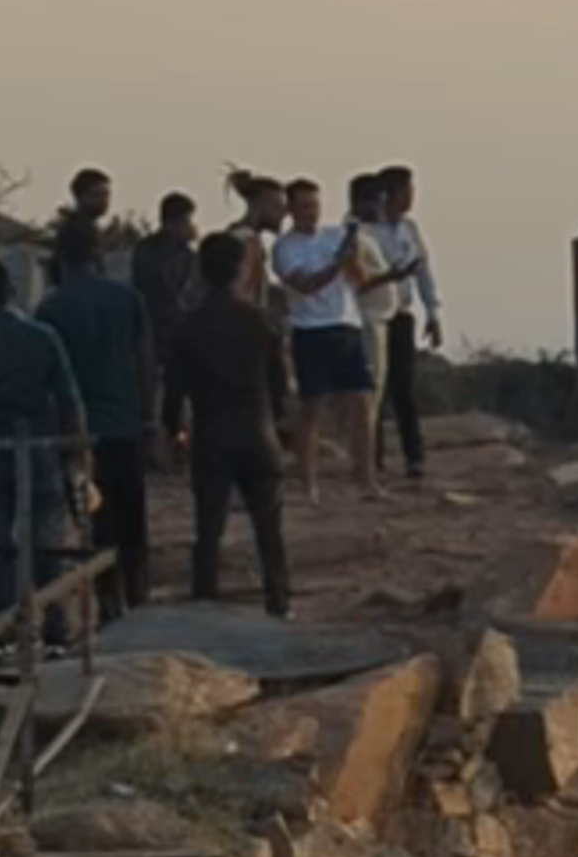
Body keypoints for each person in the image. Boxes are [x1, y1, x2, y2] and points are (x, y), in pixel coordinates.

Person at [0, 236, 91, 653]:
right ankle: (56, 631)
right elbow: (68, 397)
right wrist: (76, 452)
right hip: (40, 449)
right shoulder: (43, 337)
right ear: (10, 294)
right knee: (48, 544)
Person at [36, 204, 156, 616]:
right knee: (132, 515)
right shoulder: (127, 299)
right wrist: (150, 418)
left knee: (92, 519)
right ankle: (140, 594)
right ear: (97, 253)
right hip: (126, 422)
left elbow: (47, 380)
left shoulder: (51, 308)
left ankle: (108, 602)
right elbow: (145, 363)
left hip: (78, 433)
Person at [168, 226, 293, 617]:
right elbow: (279, 387)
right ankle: (279, 603)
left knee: (208, 530)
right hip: (258, 431)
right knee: (269, 528)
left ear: (202, 271)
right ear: (241, 268)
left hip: (211, 434)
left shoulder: (188, 327)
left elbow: (175, 391)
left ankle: (204, 607)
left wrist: (174, 430)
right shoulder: (262, 321)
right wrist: (279, 424)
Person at [271, 173, 375, 488]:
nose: (311, 211)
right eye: (303, 205)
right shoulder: (285, 247)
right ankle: (309, 481)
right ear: (291, 209)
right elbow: (304, 285)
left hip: (346, 324)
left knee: (362, 402)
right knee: (313, 407)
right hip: (311, 329)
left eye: (314, 204)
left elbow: (361, 280)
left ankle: (365, 475)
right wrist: (335, 265)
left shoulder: (335, 234)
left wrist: (353, 259)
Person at [363, 161, 443, 484]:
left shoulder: (409, 229)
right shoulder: (367, 229)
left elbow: (423, 271)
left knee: (404, 387)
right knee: (375, 389)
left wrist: (433, 313)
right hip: (374, 313)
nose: (411, 197)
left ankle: (414, 456)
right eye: (406, 191)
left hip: (403, 313)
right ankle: (372, 457)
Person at [136, 191, 200, 450]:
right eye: (186, 221)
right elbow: (161, 288)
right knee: (148, 386)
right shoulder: (148, 251)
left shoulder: (188, 255)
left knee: (178, 386)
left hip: (179, 328)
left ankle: (176, 436)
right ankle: (152, 439)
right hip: (151, 324)